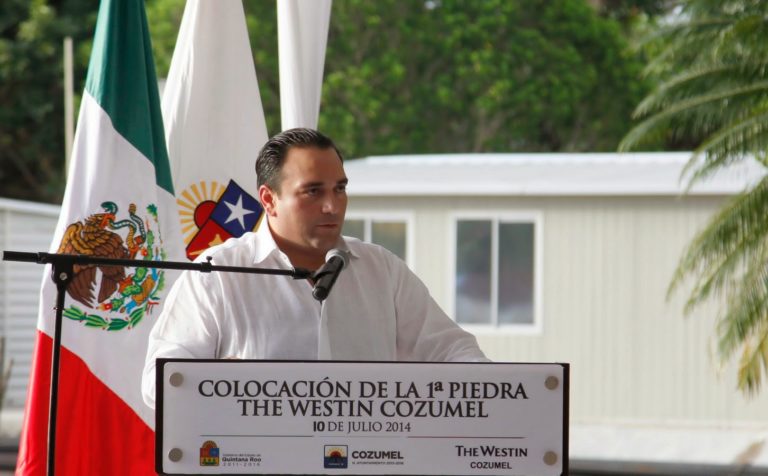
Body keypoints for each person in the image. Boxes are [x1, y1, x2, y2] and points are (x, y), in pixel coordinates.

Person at [141, 128, 488, 408]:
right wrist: (216, 381)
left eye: (340, 189)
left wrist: (492, 392)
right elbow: (159, 385)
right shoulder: (217, 274)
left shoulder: (382, 269)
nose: (331, 206)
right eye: (313, 192)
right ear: (269, 199)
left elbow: (454, 352)